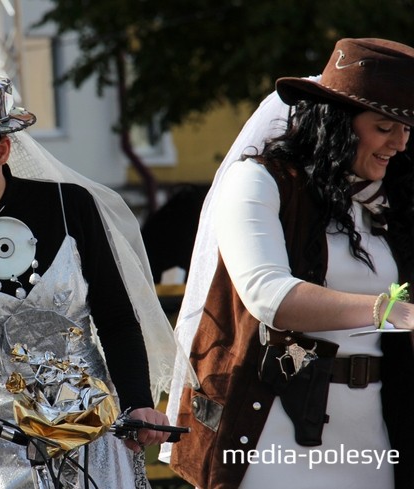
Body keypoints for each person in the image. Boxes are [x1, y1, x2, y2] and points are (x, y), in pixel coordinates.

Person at [0, 70, 184, 488]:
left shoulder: (69, 206)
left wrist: (138, 405)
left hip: (93, 433)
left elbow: (115, 319)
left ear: (3, 149)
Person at [168, 38, 414, 488]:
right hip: (274, 427)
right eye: (385, 127)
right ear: (339, 120)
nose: (399, 143)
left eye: (408, 130)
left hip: (375, 432)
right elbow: (270, 296)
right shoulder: (258, 181)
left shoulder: (392, 204)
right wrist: (389, 311)